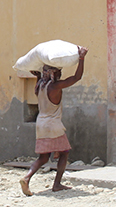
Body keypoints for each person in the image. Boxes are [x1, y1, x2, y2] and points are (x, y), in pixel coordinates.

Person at [20, 46, 88, 196]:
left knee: (44, 157)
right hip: (53, 124)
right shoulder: (55, 86)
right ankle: (57, 184)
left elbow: (39, 84)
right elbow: (76, 78)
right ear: (54, 73)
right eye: (59, 71)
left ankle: (27, 177)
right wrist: (81, 59)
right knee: (64, 153)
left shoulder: (40, 86)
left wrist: (38, 76)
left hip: (41, 123)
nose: (61, 73)